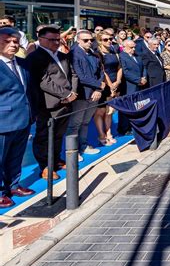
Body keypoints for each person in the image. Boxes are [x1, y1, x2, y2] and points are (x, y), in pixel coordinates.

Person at [27, 25, 78, 180]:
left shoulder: (63, 56)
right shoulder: (35, 57)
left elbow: (73, 75)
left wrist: (73, 93)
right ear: (40, 39)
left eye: (58, 39)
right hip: (48, 105)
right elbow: (44, 81)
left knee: (58, 134)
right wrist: (67, 93)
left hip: (67, 102)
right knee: (44, 136)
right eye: (52, 40)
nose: (56, 43)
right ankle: (45, 166)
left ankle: (55, 160)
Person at [0, 27, 36, 208]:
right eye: (7, 41)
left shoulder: (22, 64)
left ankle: (13, 186)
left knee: (16, 156)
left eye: (15, 41)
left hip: (23, 118)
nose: (13, 44)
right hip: (3, 121)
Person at [67, 30, 105, 160]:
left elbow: (100, 73)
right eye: (85, 40)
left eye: (91, 40)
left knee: (85, 122)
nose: (89, 42)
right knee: (75, 123)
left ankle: (83, 145)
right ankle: (73, 150)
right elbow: (80, 77)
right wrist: (98, 86)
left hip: (94, 94)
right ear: (78, 40)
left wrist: (98, 90)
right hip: (82, 95)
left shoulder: (94, 54)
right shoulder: (73, 54)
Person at [93, 31, 122, 146]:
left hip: (116, 83)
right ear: (100, 41)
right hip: (104, 85)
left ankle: (109, 133)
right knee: (100, 111)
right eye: (105, 39)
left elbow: (119, 66)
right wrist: (110, 85)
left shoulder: (114, 50)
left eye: (110, 39)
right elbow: (102, 71)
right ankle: (101, 135)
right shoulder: (98, 53)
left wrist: (118, 81)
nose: (109, 41)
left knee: (110, 111)